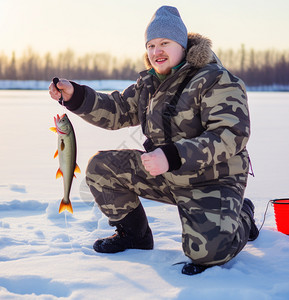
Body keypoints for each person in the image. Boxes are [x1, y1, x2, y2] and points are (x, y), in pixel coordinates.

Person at [49, 5, 258, 275]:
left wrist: (171, 156)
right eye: (151, 45)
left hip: (213, 179)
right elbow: (116, 110)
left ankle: (242, 214)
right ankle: (134, 236)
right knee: (100, 168)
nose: (156, 51)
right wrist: (75, 95)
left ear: (182, 45)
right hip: (165, 173)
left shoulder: (216, 80)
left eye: (164, 43)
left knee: (206, 253)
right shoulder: (149, 84)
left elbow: (230, 135)